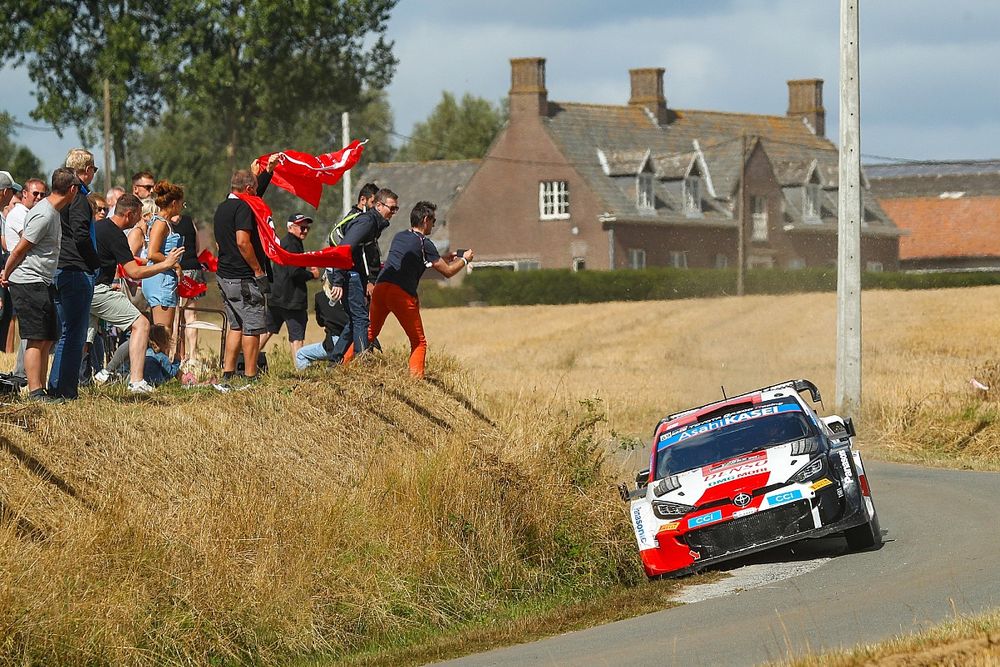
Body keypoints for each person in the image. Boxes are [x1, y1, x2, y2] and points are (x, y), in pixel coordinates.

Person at [367, 201, 473, 378]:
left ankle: (345, 365)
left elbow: (417, 260)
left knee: (369, 333)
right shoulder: (425, 243)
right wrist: (465, 260)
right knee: (419, 342)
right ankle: (416, 381)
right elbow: (447, 272)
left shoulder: (400, 236)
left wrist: (444, 257)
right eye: (433, 220)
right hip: (400, 294)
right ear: (425, 220)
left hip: (381, 287)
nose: (434, 224)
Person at [0, 168, 80, 402]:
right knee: (36, 337)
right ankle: (35, 392)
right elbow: (22, 247)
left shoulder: (51, 212)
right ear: (72, 190)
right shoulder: (45, 214)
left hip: (41, 280)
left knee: (46, 336)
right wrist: (7, 272)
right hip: (29, 280)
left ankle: (41, 389)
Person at [91, 194, 183, 393]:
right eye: (139, 216)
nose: (141, 220)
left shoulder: (98, 227)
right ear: (129, 214)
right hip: (98, 289)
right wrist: (166, 264)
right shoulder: (116, 235)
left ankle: (79, 381)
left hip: (85, 288)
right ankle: (136, 381)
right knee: (141, 324)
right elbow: (134, 272)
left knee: (85, 338)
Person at [213, 155, 278, 383]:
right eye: (254, 189)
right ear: (248, 189)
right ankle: (251, 376)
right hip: (244, 278)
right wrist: (259, 271)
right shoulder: (242, 208)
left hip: (224, 276)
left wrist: (265, 173)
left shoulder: (223, 206)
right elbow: (243, 242)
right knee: (253, 327)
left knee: (235, 326)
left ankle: (228, 375)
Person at [48, 148, 101, 400]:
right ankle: (65, 390)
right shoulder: (78, 197)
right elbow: (81, 235)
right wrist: (93, 262)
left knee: (67, 333)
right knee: (75, 334)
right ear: (87, 170)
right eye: (94, 170)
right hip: (75, 270)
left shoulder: (60, 197)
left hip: (60, 268)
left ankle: (57, 384)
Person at [328, 187, 397, 363]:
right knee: (360, 319)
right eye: (392, 208)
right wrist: (337, 281)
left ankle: (334, 361)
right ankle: (362, 361)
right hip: (347, 273)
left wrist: (369, 280)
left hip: (353, 273)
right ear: (379, 205)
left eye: (396, 209)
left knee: (354, 320)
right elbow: (344, 248)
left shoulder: (375, 223)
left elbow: (367, 256)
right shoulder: (366, 222)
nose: (394, 212)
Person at [261, 213, 319, 357]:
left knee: (267, 331)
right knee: (297, 337)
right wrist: (312, 275)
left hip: (277, 297)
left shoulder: (285, 242)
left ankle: (245, 361)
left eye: (307, 228)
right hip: (292, 301)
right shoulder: (293, 244)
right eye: (301, 227)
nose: (305, 230)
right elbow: (295, 272)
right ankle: (300, 370)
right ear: (291, 227)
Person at [141, 180, 185, 331]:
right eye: (181, 203)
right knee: (163, 333)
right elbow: (152, 253)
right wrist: (175, 264)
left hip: (160, 278)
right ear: (174, 203)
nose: (182, 207)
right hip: (161, 281)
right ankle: (156, 356)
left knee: (162, 332)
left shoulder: (161, 222)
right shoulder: (161, 223)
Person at [294, 275, 349, 370]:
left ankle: (312, 376)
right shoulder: (351, 296)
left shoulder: (320, 297)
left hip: (335, 343)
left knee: (300, 354)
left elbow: (320, 322)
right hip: (355, 340)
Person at [173, 210, 204, 361]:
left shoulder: (164, 223)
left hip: (176, 270)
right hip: (194, 268)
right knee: (191, 315)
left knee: (176, 316)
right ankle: (193, 355)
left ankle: (178, 355)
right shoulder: (189, 220)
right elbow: (197, 247)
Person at [328, 182, 378, 247]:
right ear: (362, 200)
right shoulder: (360, 221)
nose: (375, 207)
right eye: (372, 202)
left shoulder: (359, 218)